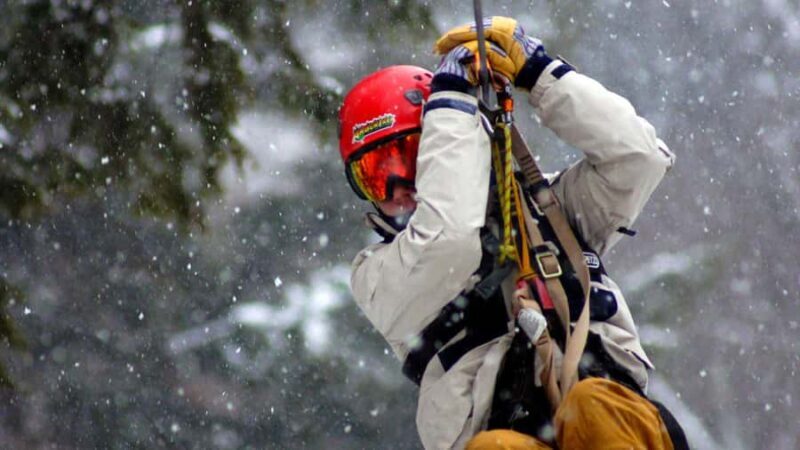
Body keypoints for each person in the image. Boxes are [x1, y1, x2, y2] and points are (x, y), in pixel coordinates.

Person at [338, 17, 687, 450]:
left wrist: (541, 74)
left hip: (611, 420)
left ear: (450, 145)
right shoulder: (377, 277)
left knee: (593, 404)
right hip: (500, 434)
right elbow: (449, 236)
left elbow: (638, 160)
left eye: (411, 157)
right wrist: (450, 103)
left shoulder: (549, 212)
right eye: (376, 176)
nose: (401, 186)